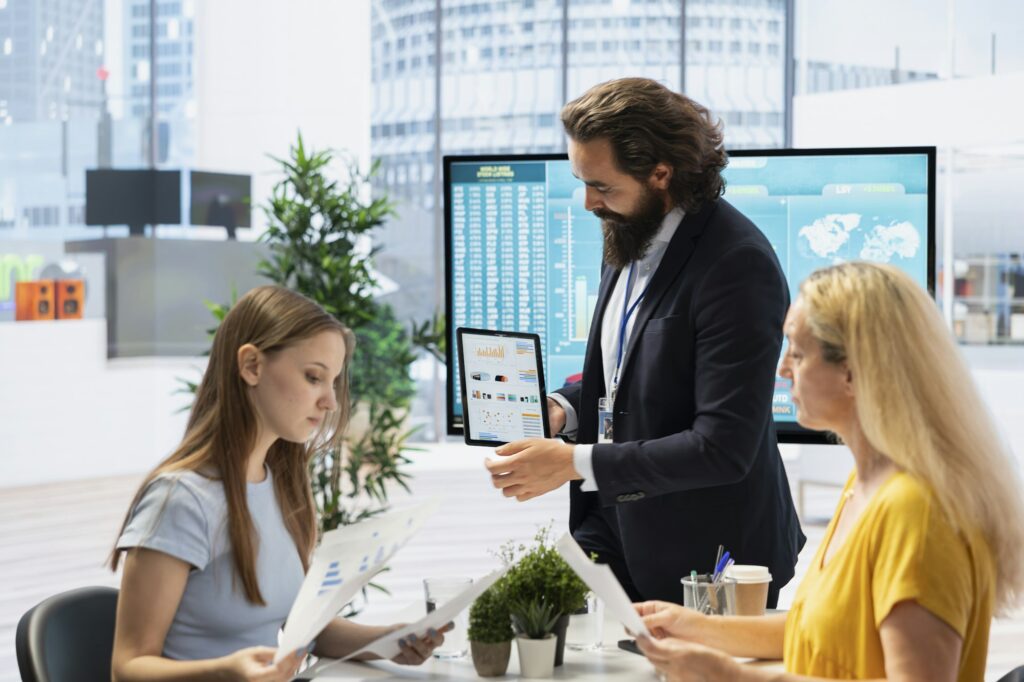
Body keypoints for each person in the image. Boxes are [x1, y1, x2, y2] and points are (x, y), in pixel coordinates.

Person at [485, 77, 805, 604]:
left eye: (603, 186)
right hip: (616, 525)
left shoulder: (735, 265)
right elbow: (630, 364)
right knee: (519, 620)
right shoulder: (627, 231)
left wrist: (573, 461)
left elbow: (724, 447)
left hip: (711, 555)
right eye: (581, 181)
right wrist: (563, 408)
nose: (588, 202)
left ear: (661, 173)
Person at [635, 262, 1024, 682]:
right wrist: (697, 628)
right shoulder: (865, 484)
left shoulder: (916, 511)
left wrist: (734, 677)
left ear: (854, 372)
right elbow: (822, 632)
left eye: (799, 354)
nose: (783, 369)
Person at [108, 285, 449, 682]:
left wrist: (388, 641)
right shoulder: (180, 499)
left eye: (333, 382)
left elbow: (303, 628)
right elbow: (127, 668)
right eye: (313, 377)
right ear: (252, 366)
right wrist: (226, 672)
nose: (330, 402)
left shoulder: (279, 485)